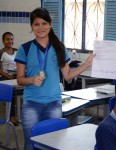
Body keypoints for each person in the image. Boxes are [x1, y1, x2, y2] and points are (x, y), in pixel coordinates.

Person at [14, 7, 95, 149]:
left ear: (50, 25)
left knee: (53, 143)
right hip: (32, 104)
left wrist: (87, 64)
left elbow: (68, 75)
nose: (40, 27)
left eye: (44, 23)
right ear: (31, 27)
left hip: (54, 104)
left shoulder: (59, 48)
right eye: (36, 24)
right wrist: (31, 80)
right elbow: (20, 79)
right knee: (30, 143)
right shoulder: (24, 49)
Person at [0, 32, 18, 126]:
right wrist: (7, 75)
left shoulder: (17, 51)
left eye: (11, 39)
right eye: (7, 39)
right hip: (5, 77)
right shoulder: (1, 52)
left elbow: (21, 63)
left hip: (16, 76)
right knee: (11, 92)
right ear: (3, 41)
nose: (10, 41)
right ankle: (12, 116)